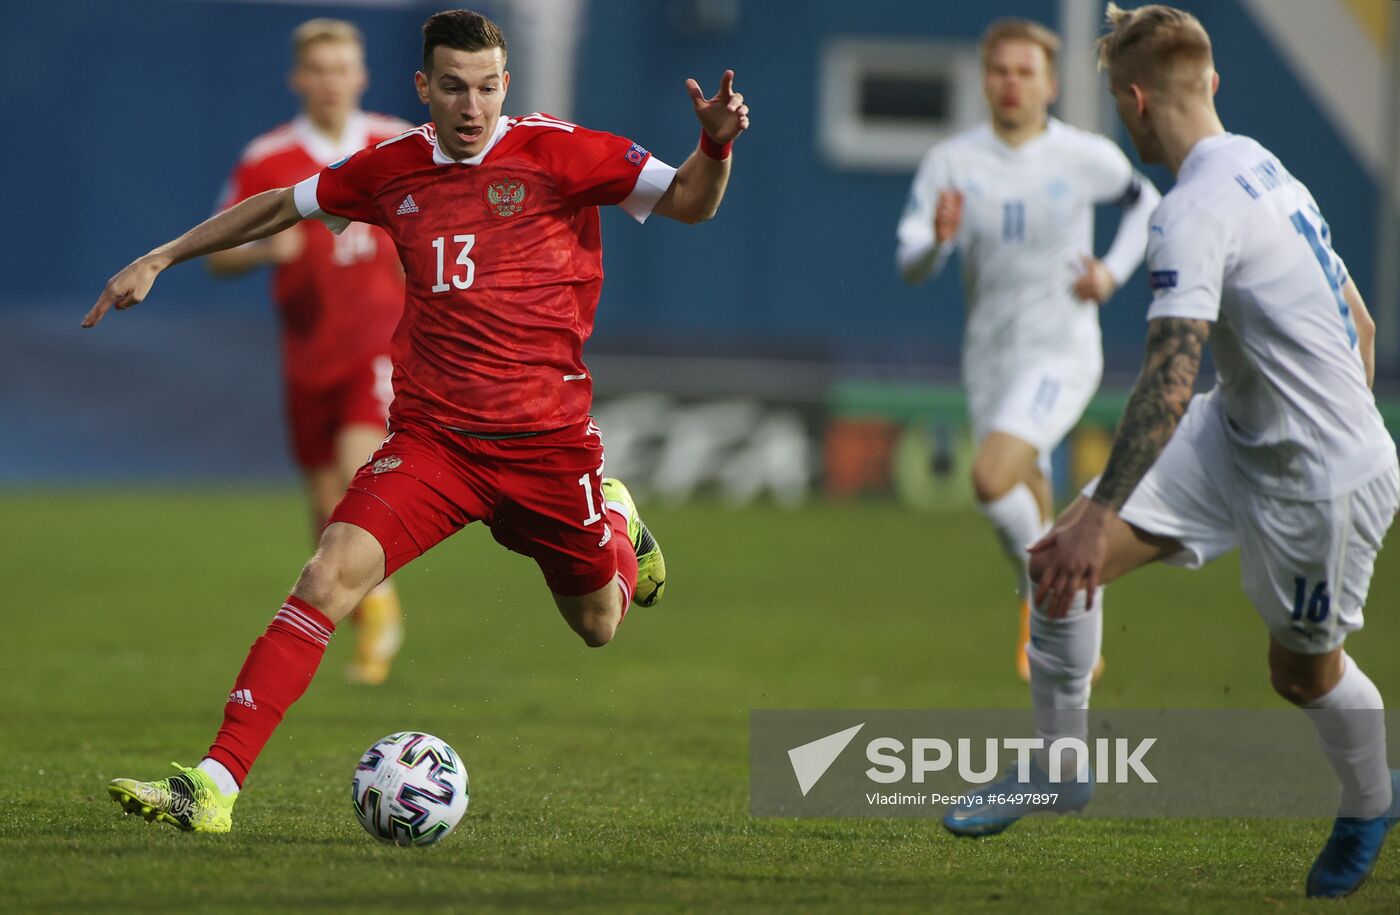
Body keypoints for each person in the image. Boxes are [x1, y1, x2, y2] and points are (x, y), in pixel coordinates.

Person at [87, 8, 750, 836]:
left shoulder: (563, 150)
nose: (469, 107)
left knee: (600, 624)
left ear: (505, 85)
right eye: (451, 88)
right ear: (423, 88)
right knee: (326, 575)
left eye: (484, 88)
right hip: (436, 445)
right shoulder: (388, 167)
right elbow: (279, 208)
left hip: (547, 448)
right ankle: (212, 784)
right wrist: (160, 255)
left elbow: (692, 202)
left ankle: (615, 513)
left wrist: (714, 144)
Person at [943, 3, 1398, 899]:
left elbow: (1168, 378)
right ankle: (1060, 768)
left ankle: (1370, 800)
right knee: (1055, 560)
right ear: (1214, 85)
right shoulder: (1266, 164)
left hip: (1319, 479)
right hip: (1242, 431)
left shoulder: (1190, 211)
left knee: (1300, 674)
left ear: (1137, 100)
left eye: (1117, 103)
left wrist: (1101, 511)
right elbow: (1362, 322)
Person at [896, 18, 1160, 681]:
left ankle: (1051, 597)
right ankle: (1065, 623)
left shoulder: (1082, 154)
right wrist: (937, 239)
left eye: (1024, 72)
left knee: (990, 477)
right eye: (999, 71)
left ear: (1049, 84)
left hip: (1060, 351)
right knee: (1028, 487)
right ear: (985, 81)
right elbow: (910, 264)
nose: (1011, 83)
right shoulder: (953, 162)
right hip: (990, 357)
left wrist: (1110, 273)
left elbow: (1145, 199)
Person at [208, 19, 414, 686]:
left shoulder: (396, 142)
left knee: (360, 472)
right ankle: (370, 615)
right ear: (299, 78)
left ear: (361, 76)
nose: (331, 81)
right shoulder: (268, 157)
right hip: (307, 355)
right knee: (324, 503)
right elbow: (220, 252)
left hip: (378, 349)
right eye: (318, 69)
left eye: (342, 68)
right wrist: (267, 247)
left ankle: (380, 611)